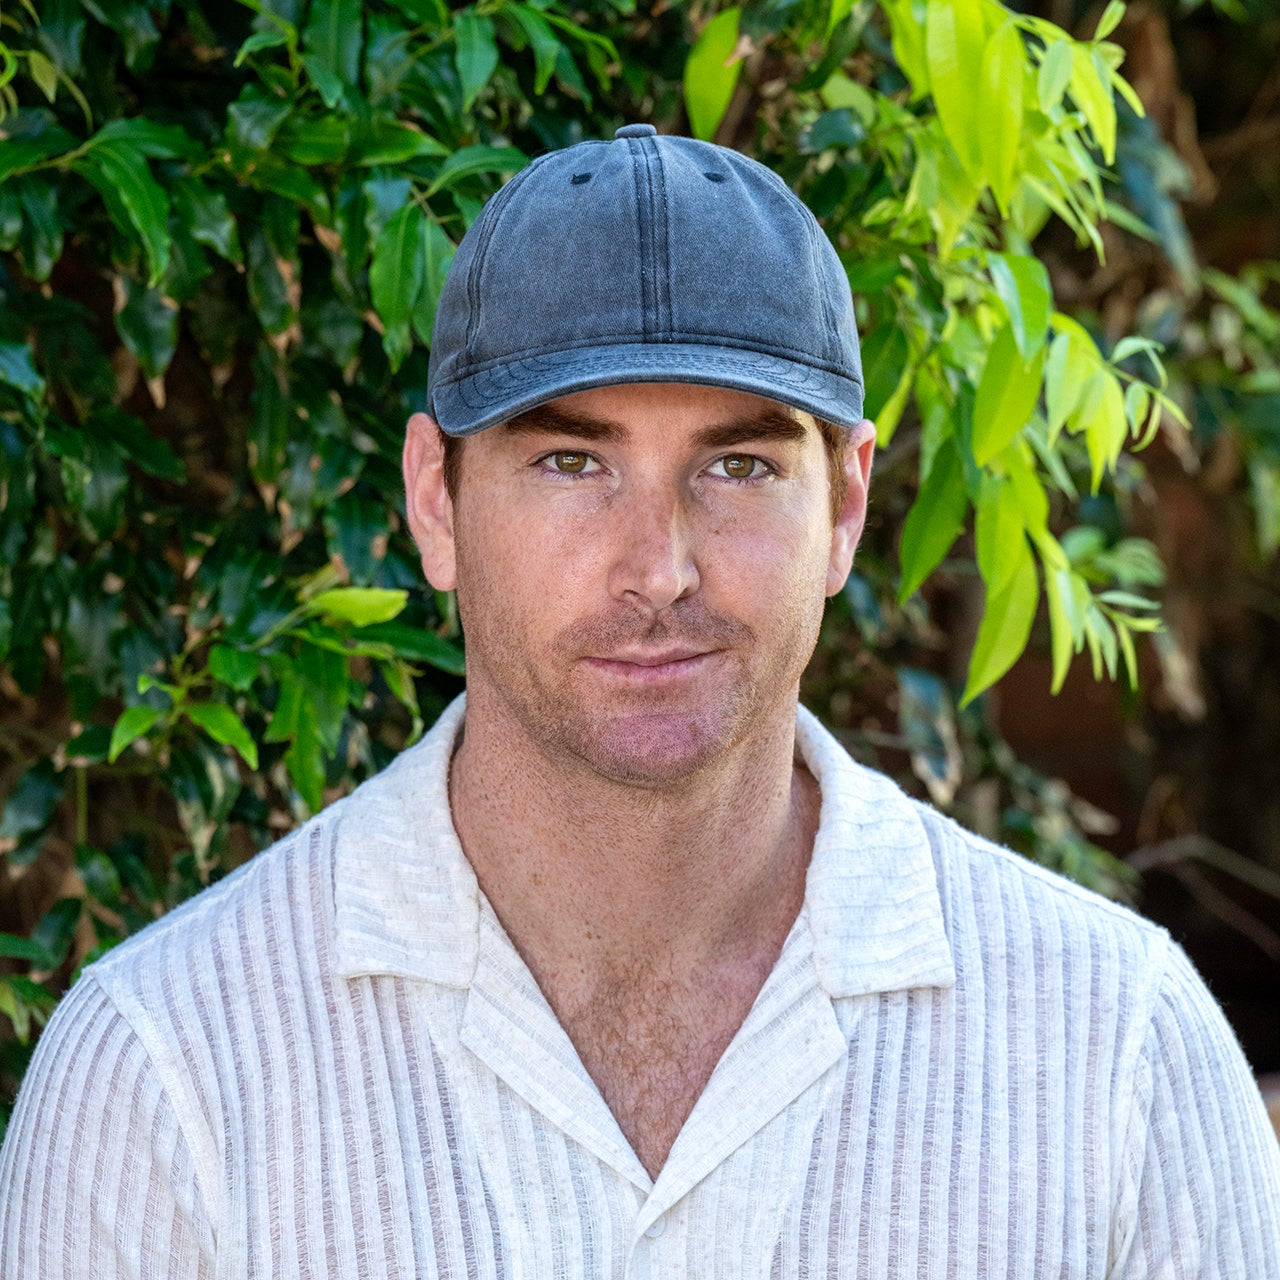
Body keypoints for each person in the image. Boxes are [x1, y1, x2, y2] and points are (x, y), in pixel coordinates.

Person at [2, 123, 1278, 1279]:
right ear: (434, 501)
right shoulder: (165, 1071)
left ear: (843, 503)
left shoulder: (1120, 1050)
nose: (658, 566)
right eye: (570, 461)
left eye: (734, 464)